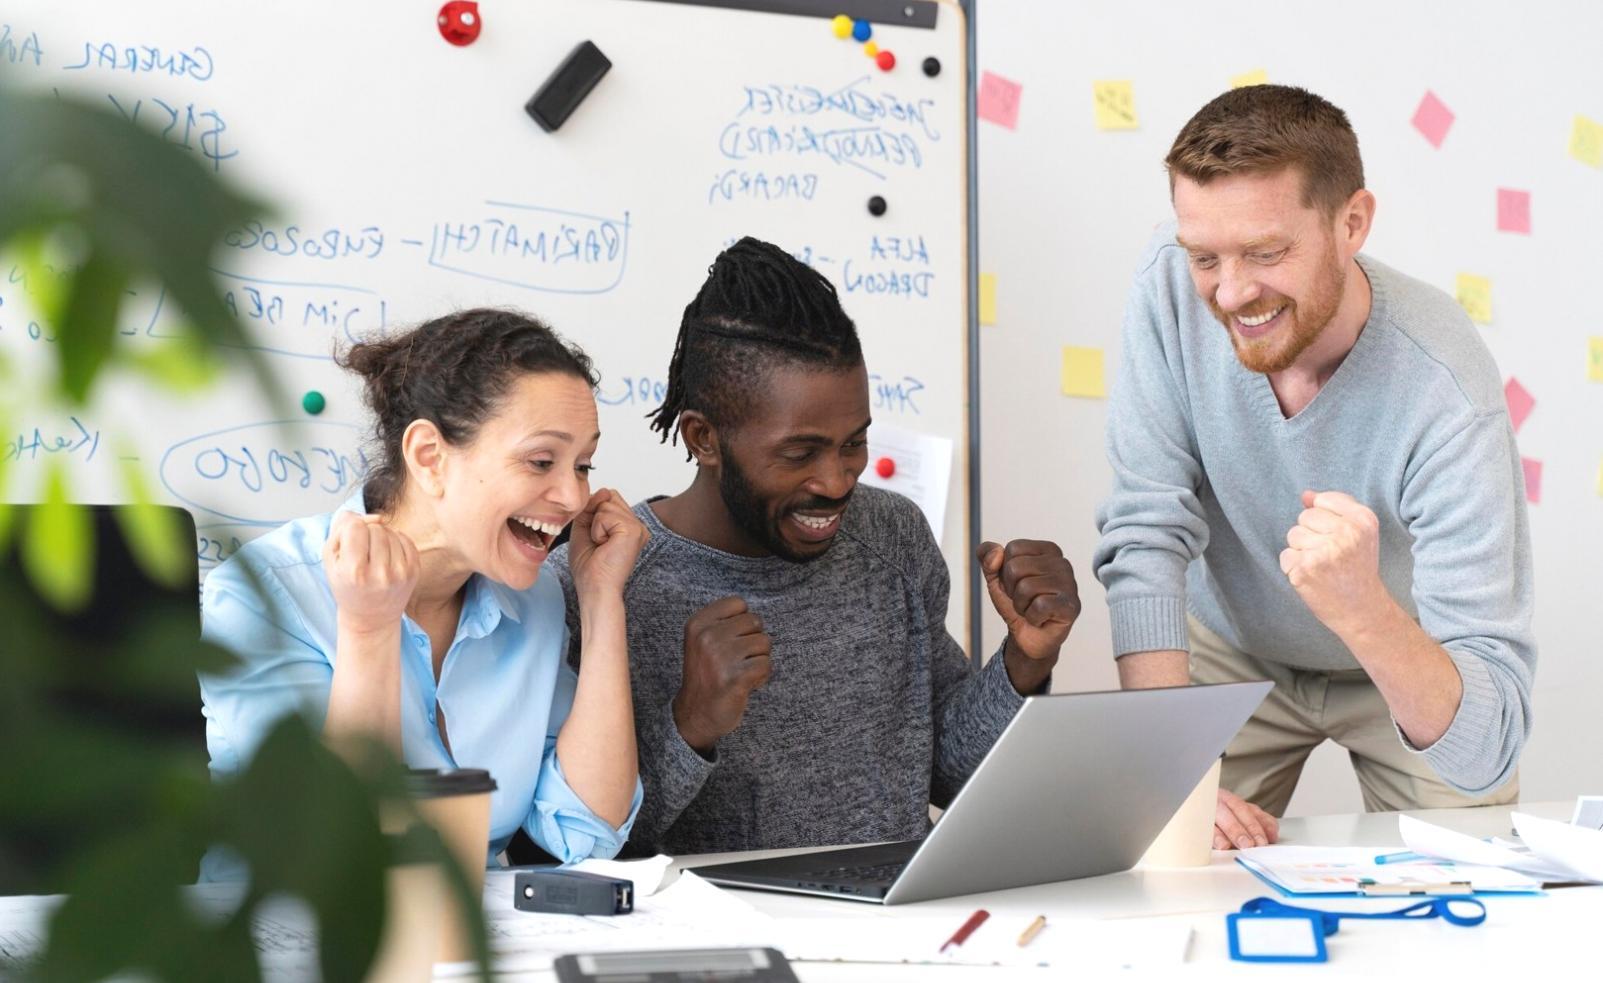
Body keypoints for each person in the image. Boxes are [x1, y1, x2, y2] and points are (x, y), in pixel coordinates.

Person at [1094, 85, 1536, 851]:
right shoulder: (1167, 285)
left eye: (1266, 253)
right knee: (1156, 854)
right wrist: (1166, 770)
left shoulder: (1445, 391)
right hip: (1228, 643)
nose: (1231, 292)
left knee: (1479, 878)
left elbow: (1483, 745)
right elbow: (1144, 529)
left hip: (1402, 653)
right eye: (1205, 257)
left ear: (1351, 222)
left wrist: (1361, 608)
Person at [549, 237, 1081, 856]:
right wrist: (690, 725)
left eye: (854, 443)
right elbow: (571, 857)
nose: (836, 482)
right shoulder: (601, 583)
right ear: (703, 438)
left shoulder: (891, 536)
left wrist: (1025, 661)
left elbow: (948, 773)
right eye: (799, 453)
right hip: (725, 920)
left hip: (899, 911)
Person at [198, 308, 647, 879]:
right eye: (541, 461)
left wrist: (602, 598)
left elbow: (587, 829)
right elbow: (336, 854)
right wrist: (368, 629)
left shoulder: (534, 601)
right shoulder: (264, 593)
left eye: (582, 465)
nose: (574, 497)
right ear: (429, 458)